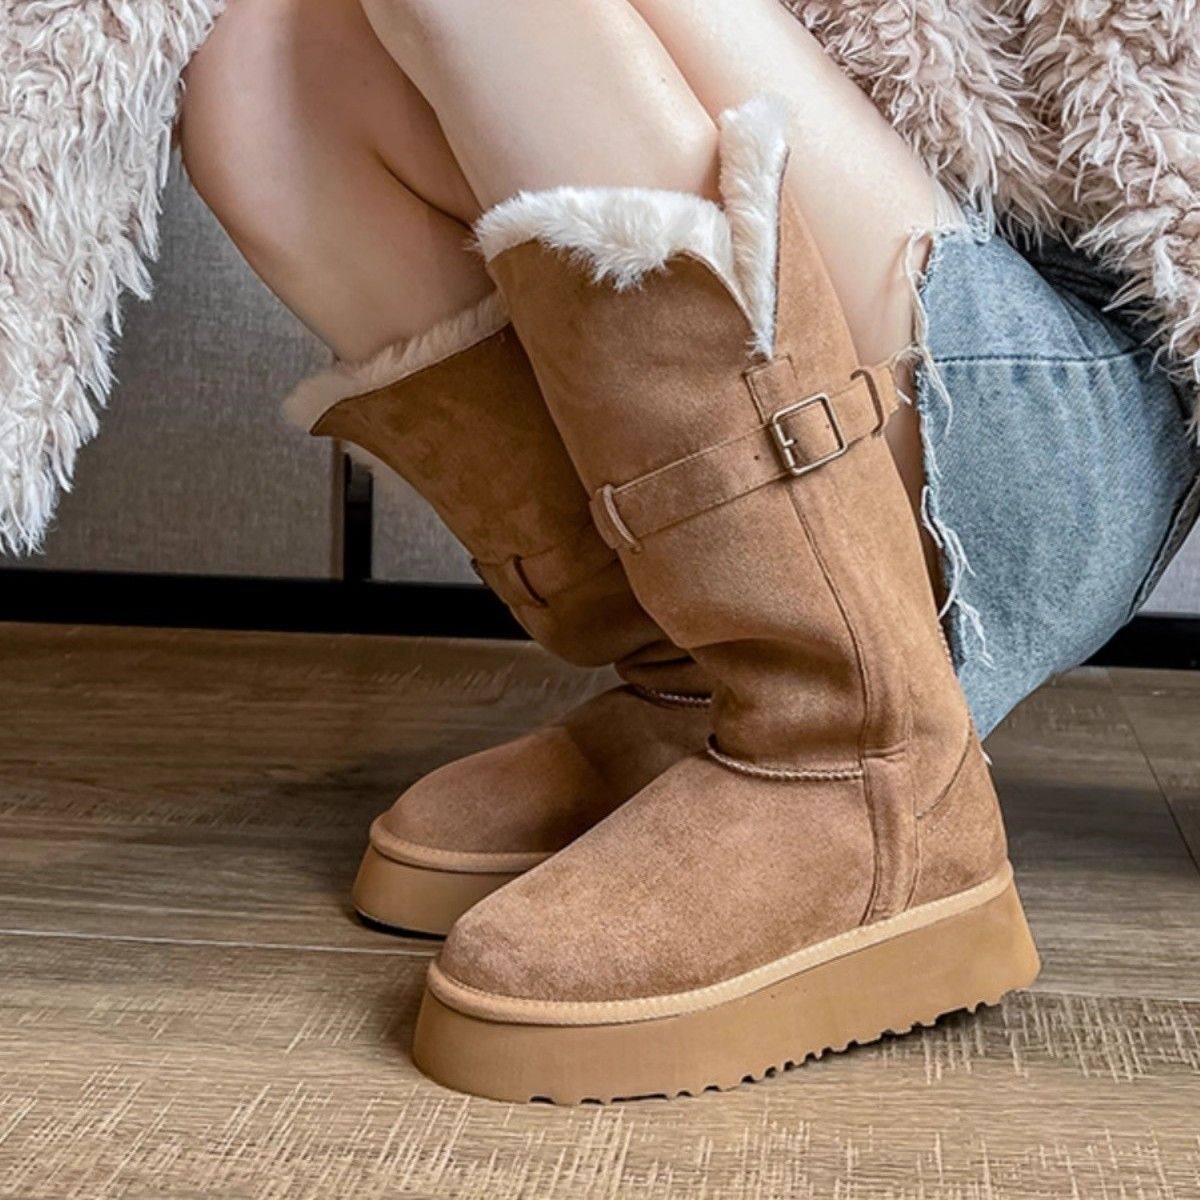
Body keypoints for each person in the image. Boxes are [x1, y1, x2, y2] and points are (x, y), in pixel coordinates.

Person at [179, 0, 1199, 1102]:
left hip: (1068, 396)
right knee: (263, 72)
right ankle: (695, 674)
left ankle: (852, 753)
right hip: (919, 278)